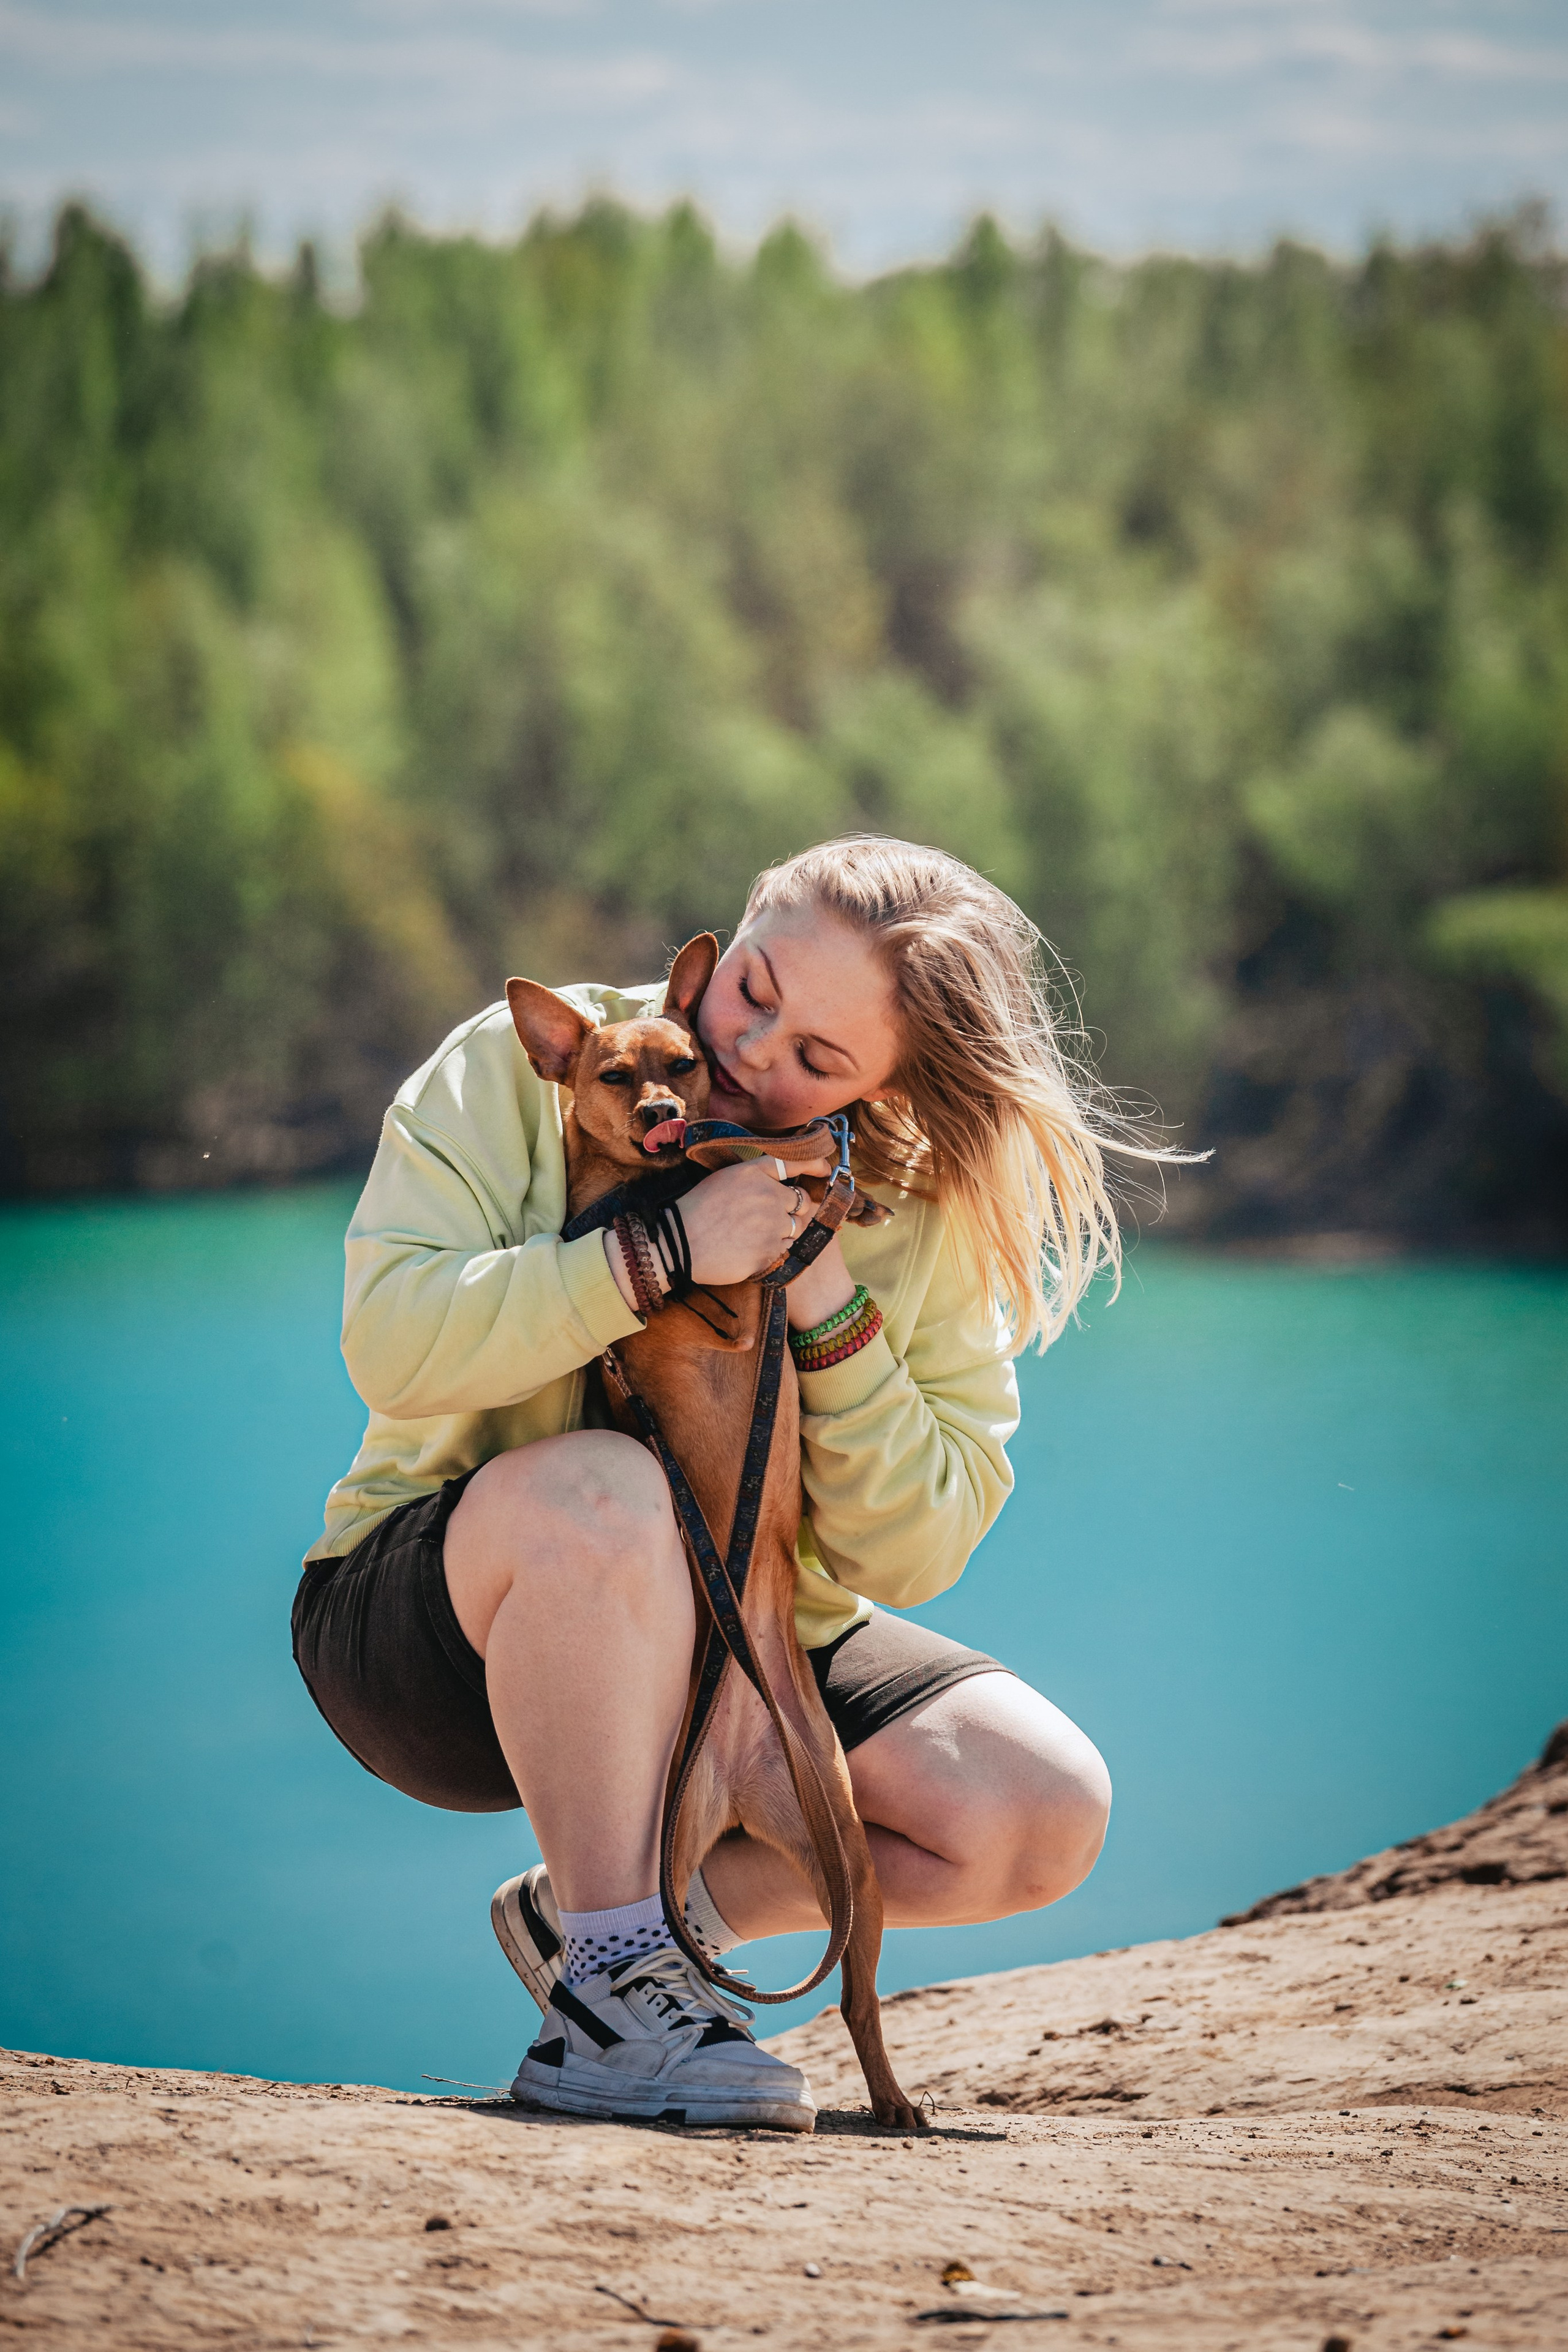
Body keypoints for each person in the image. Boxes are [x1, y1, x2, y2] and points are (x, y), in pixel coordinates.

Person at [292, 835, 1120, 2131]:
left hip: (739, 1634)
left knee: (1031, 1811)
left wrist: (822, 1287)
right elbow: (390, 1345)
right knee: (603, 1490)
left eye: (818, 1060)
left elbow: (919, 1546)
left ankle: (623, 1918)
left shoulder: (906, 1193)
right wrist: (658, 1252)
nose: (748, 1055)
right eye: (752, 989)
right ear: (727, 938)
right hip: (441, 1628)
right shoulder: (535, 1066)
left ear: (892, 1084)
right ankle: (611, 2003)